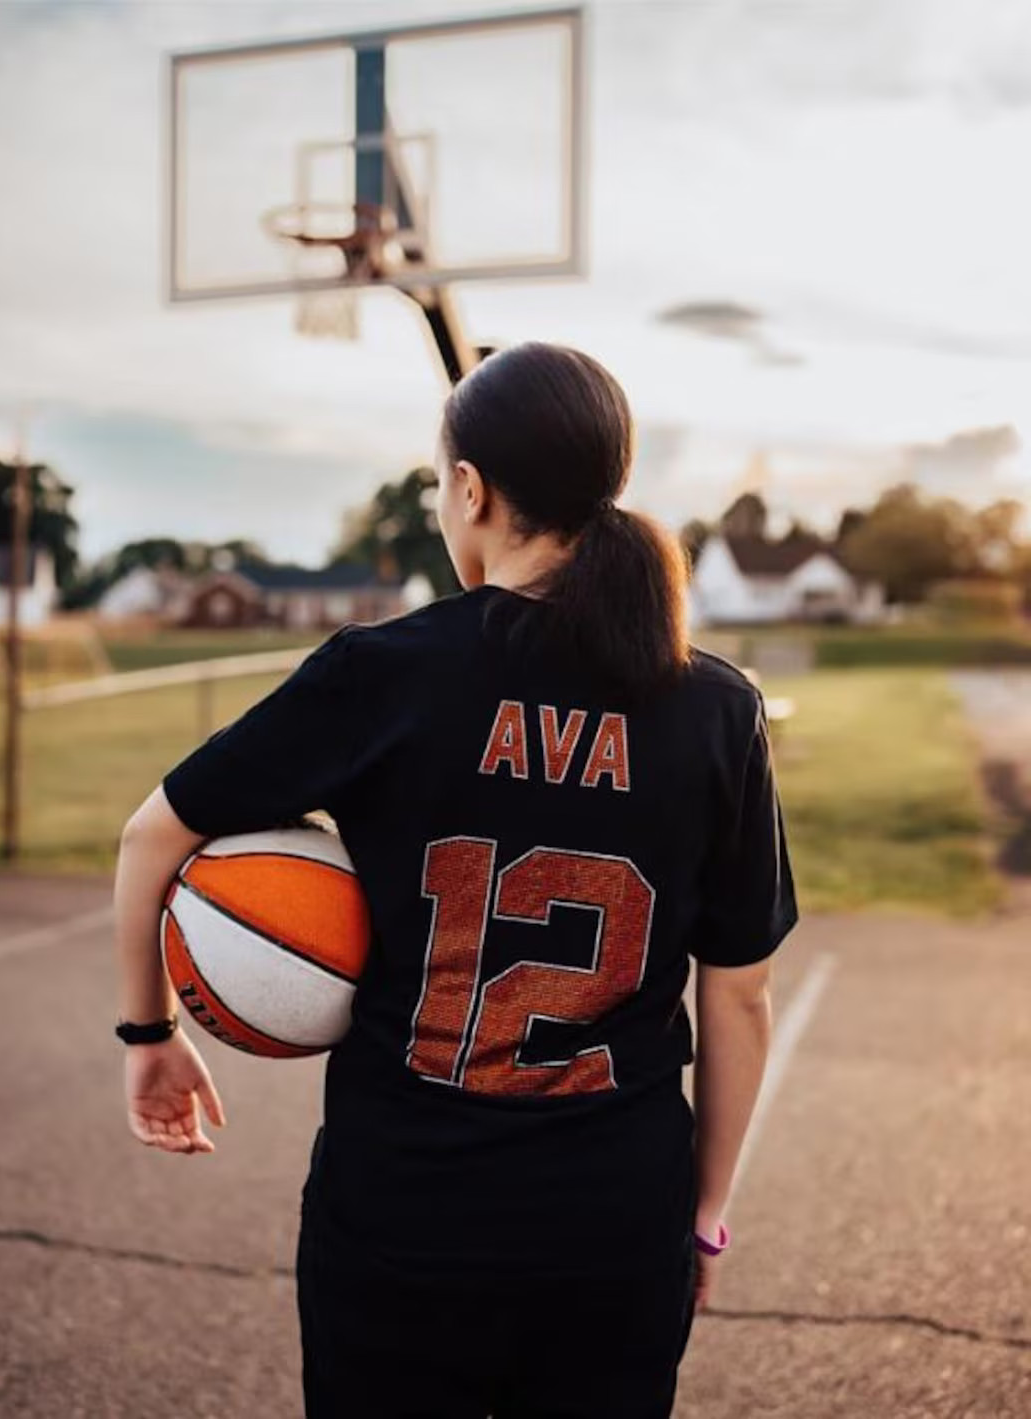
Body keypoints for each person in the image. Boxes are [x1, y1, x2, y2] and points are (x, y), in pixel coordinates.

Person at [113, 342, 798, 1418]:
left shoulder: (383, 673)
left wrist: (150, 1039)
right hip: (613, 1227)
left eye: (442, 484)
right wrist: (704, 1213)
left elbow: (149, 840)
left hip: (400, 1217)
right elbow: (741, 992)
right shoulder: (716, 707)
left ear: (472, 490)